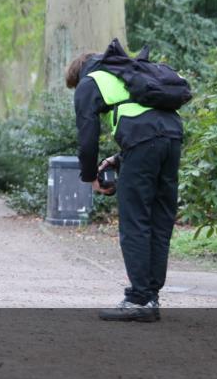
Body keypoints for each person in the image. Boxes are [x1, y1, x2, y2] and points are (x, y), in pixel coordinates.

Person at [65, 40, 184, 323]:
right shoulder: (132, 73)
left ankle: (139, 299)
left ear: (77, 74)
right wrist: (119, 159)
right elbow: (149, 118)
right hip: (172, 138)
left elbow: (87, 139)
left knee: (135, 222)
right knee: (159, 218)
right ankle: (151, 295)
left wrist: (91, 175)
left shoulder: (90, 82)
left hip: (144, 144)